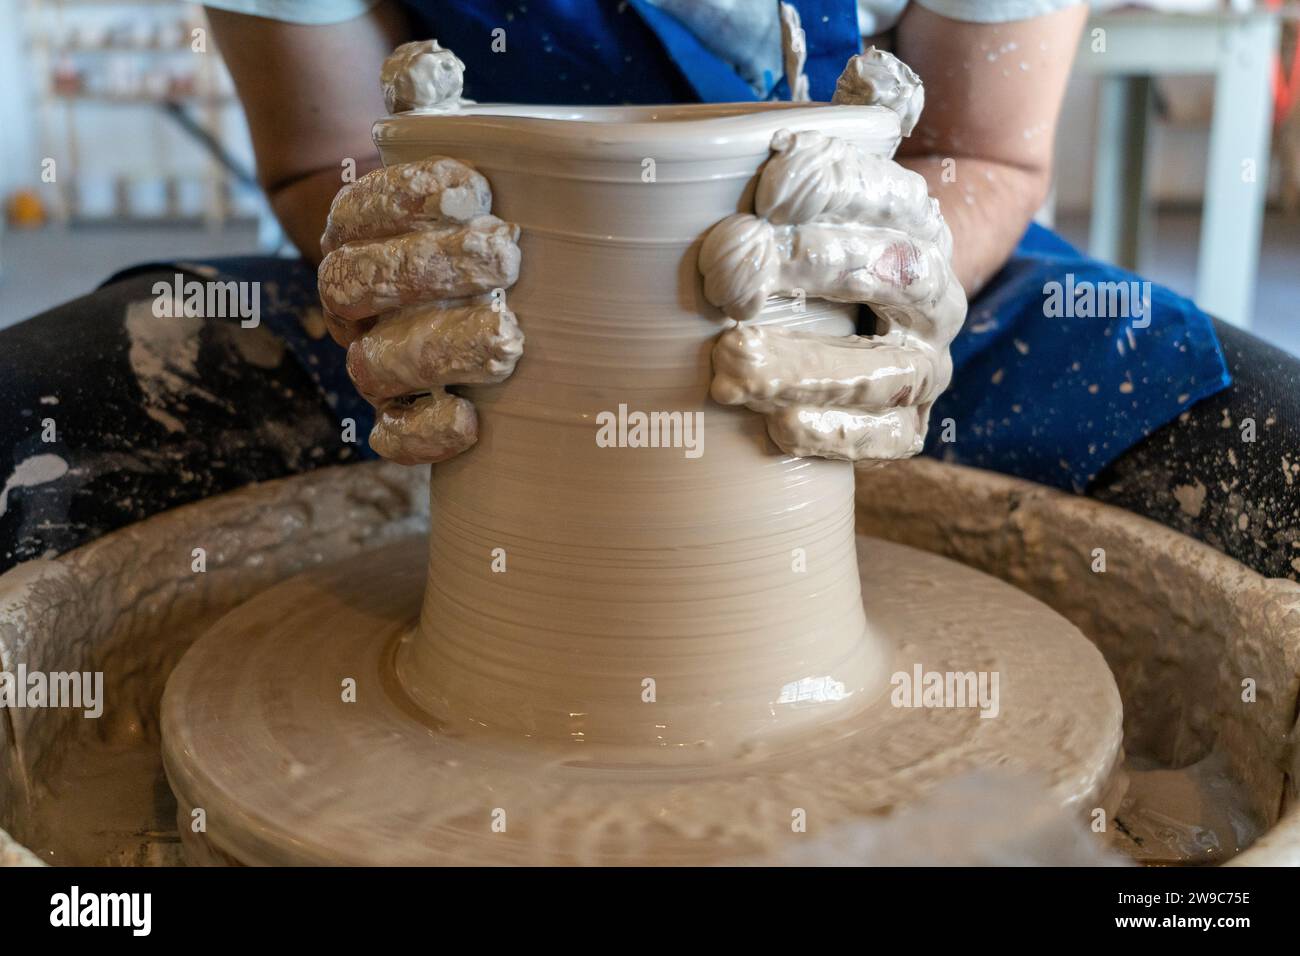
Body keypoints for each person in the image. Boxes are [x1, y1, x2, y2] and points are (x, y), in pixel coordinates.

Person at [1, 0, 1296, 582]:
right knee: (29, 444)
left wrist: (877, 280)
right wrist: (389, 258)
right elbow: (320, 151)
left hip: (872, 303)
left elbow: (985, 148)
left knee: (1270, 472)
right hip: (459, 327)